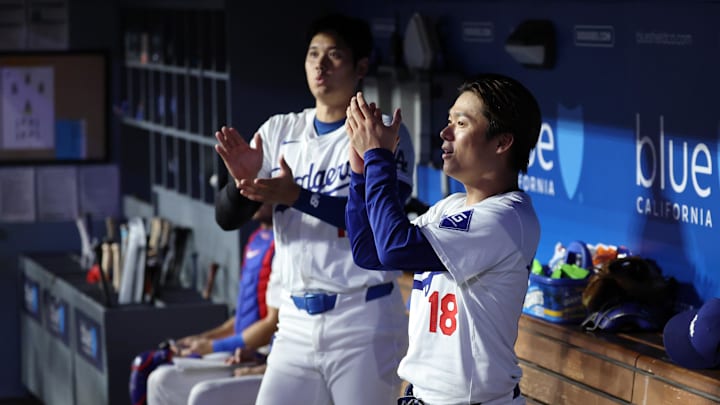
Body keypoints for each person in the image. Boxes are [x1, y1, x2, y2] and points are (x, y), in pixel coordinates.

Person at [213, 13, 416, 404]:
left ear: (360, 66)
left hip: (363, 318)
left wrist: (299, 197)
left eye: (334, 55)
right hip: (294, 324)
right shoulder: (280, 131)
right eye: (313, 54)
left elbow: (381, 219)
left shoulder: (381, 128)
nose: (320, 65)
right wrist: (243, 186)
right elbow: (226, 218)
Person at [344, 73, 542, 404]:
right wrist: (359, 174)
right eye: (449, 120)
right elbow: (369, 253)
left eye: (461, 123)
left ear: (501, 142)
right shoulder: (447, 207)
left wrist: (380, 158)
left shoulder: (508, 217)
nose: (445, 132)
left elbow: (395, 249)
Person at [145, 203, 277, 405]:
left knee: (201, 395)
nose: (253, 196)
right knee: (156, 377)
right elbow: (243, 318)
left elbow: (271, 324)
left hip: (262, 354)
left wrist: (211, 346)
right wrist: (200, 339)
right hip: (239, 348)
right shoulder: (255, 239)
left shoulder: (281, 245)